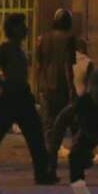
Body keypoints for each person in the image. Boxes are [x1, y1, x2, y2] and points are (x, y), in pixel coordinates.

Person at [0, 13, 53, 184]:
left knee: (35, 135)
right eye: (22, 25)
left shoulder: (19, 50)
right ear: (13, 28)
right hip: (10, 98)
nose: (25, 28)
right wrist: (4, 84)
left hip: (22, 96)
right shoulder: (5, 49)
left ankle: (42, 173)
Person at [36, 8, 76, 145]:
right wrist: (71, 88)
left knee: (48, 120)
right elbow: (67, 66)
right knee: (61, 119)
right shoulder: (69, 39)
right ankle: (54, 148)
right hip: (61, 84)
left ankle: (48, 148)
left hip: (45, 84)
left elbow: (38, 64)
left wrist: (38, 84)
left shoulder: (43, 38)